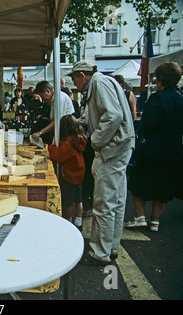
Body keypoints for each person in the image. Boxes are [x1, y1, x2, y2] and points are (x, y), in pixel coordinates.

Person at [68, 60, 134, 265]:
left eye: (74, 78)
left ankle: (100, 253)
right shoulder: (100, 83)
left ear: (81, 75)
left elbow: (113, 116)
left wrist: (96, 141)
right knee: (115, 200)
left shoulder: (99, 83)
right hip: (120, 147)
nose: (75, 84)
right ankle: (111, 247)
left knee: (104, 202)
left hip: (112, 148)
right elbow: (92, 116)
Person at [125, 62, 183, 232]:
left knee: (138, 183)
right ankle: (155, 221)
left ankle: (139, 216)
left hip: (152, 149)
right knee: (163, 186)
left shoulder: (157, 98)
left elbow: (148, 124)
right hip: (172, 150)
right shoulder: (182, 100)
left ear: (160, 79)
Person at [48, 114, 87, 231]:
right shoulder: (79, 140)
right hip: (79, 176)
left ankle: (69, 222)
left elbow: (58, 156)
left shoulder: (68, 143)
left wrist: (52, 145)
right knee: (78, 200)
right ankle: (78, 221)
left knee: (69, 201)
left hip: (69, 176)